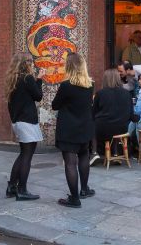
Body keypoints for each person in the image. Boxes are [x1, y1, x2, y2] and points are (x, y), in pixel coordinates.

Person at [52, 53, 95, 208]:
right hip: (85, 127)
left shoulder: (66, 85)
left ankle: (74, 199)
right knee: (84, 157)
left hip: (69, 128)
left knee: (70, 163)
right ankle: (84, 189)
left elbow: (55, 105)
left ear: (68, 66)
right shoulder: (90, 84)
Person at [6, 53, 45, 201]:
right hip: (27, 121)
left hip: (18, 121)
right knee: (27, 157)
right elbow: (38, 96)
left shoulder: (13, 78)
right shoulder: (27, 78)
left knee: (23, 154)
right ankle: (22, 190)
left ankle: (11, 186)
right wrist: (40, 79)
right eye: (31, 61)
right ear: (26, 63)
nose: (33, 64)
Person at [93, 69, 133, 157]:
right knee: (115, 121)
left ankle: (94, 153)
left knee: (92, 125)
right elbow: (131, 113)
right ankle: (115, 153)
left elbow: (93, 112)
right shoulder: (127, 93)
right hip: (122, 128)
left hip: (104, 129)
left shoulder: (100, 93)